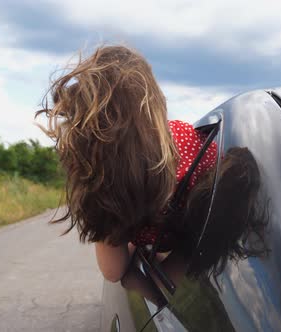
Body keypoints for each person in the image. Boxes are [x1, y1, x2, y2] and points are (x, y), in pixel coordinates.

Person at [36, 45, 217, 300]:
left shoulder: (106, 184)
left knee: (129, 278)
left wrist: (130, 241)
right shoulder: (190, 140)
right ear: (154, 103)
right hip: (202, 256)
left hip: (173, 278)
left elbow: (113, 271)